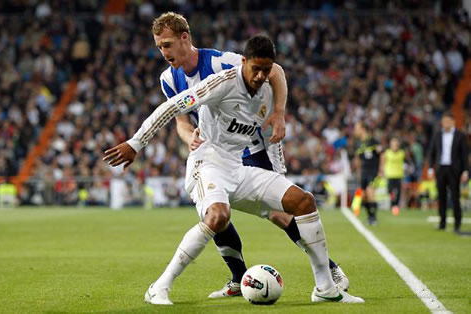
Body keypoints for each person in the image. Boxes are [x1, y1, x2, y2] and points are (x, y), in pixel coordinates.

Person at [104, 34, 364, 305]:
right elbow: (174, 107)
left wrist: (278, 162)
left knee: (302, 201)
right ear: (243, 63)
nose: (261, 75)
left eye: (266, 70)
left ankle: (325, 287)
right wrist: (136, 143)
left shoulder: (266, 92)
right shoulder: (222, 80)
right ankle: (159, 287)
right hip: (207, 164)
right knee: (218, 217)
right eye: (256, 69)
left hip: (237, 166)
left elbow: (272, 124)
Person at [151, 12, 348, 297]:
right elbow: (182, 122)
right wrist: (189, 138)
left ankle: (328, 268)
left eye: (167, 44)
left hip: (251, 147)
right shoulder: (168, 79)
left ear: (185, 38)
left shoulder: (219, 62)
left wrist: (279, 112)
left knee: (280, 214)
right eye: (159, 46)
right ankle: (237, 278)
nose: (163, 52)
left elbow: (275, 71)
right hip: (215, 153)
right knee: (215, 213)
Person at [428, 112, 469, 233]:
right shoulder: (437, 135)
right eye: (443, 121)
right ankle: (442, 222)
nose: (445, 123)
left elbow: (464, 155)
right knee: (441, 196)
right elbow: (432, 152)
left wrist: (465, 171)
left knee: (455, 196)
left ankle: (457, 223)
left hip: (454, 169)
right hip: (441, 169)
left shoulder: (460, 135)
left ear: (453, 122)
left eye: (447, 121)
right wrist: (431, 168)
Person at [354, 121, 383, 225]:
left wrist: (381, 170)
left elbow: (382, 155)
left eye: (356, 128)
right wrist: (358, 171)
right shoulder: (358, 143)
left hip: (373, 171)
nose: (355, 131)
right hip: (364, 172)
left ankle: (374, 218)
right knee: (364, 195)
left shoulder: (373, 141)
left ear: (363, 129)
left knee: (370, 191)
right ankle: (370, 217)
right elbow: (358, 158)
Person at [379, 137, 405, 215]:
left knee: (398, 191)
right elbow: (382, 162)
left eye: (396, 144)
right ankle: (393, 203)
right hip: (390, 175)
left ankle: (395, 206)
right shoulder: (387, 153)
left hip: (398, 175)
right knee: (390, 190)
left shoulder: (401, 153)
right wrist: (381, 171)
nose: (395, 145)